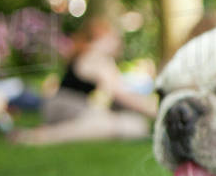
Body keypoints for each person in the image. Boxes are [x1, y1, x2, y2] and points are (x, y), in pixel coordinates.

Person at [9, 18, 157, 145]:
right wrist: (155, 112)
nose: (117, 42)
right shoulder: (94, 57)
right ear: (100, 38)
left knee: (134, 125)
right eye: (112, 38)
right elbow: (121, 94)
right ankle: (40, 137)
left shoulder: (95, 57)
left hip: (71, 106)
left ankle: (40, 135)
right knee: (113, 125)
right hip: (68, 104)